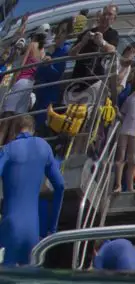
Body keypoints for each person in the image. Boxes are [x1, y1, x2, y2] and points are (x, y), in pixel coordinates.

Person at [0, 115, 64, 266]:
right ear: (33, 130)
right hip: (33, 231)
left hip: (10, 226)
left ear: (15, 130)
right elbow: (60, 186)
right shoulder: (44, 147)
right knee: (27, 283)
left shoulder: (8, 150)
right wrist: (52, 228)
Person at [0, 32, 42, 143]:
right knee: (15, 121)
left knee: (6, 118)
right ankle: (9, 147)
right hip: (29, 84)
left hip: (21, 82)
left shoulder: (32, 45)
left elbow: (22, 66)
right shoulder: (42, 51)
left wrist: (12, 84)